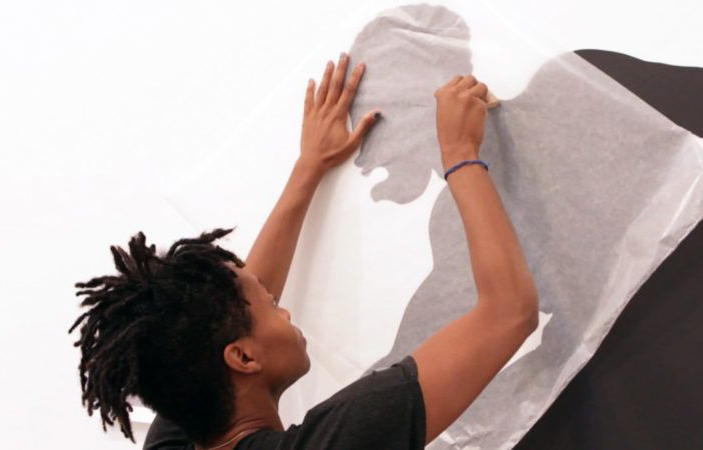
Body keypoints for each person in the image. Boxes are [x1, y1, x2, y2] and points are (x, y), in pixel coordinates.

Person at [69, 51, 539, 450]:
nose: (285, 309)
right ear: (243, 359)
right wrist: (460, 151)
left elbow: (227, 310)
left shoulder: (185, 421)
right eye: (272, 307)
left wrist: (309, 166)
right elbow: (508, 313)